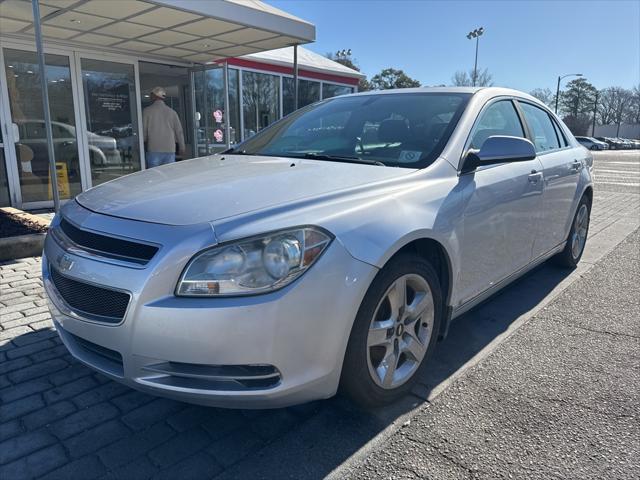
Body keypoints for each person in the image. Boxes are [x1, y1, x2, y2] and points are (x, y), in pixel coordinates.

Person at [142, 86, 185, 168]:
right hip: (170, 148)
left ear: (155, 96)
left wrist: (142, 143)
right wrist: (182, 147)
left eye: (151, 94)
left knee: (154, 176)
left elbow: (144, 130)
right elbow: (179, 131)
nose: (150, 96)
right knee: (168, 176)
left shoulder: (147, 111)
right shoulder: (172, 112)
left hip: (154, 148)